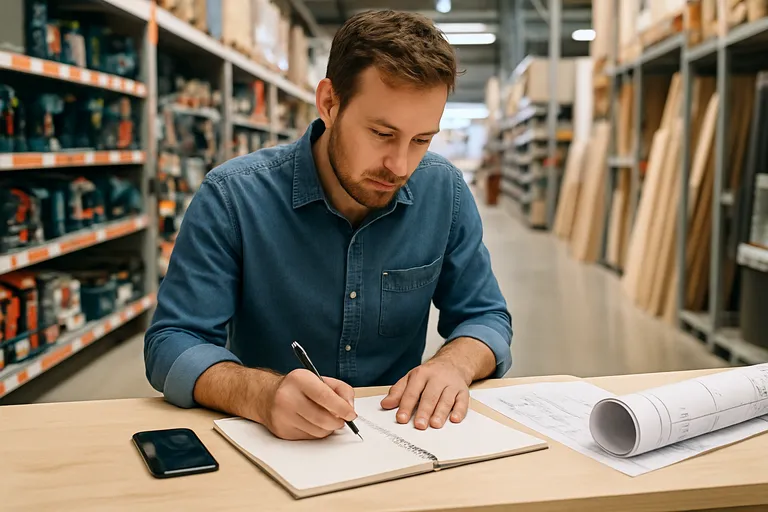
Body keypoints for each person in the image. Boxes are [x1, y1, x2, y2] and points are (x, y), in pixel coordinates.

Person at [144, 9, 512, 441]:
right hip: (271, 442)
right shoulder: (233, 197)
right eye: (381, 133)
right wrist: (260, 394)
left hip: (399, 438)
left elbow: (485, 316)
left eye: (421, 140)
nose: (399, 165)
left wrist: (454, 363)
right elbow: (171, 342)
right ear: (329, 103)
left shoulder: (444, 193)